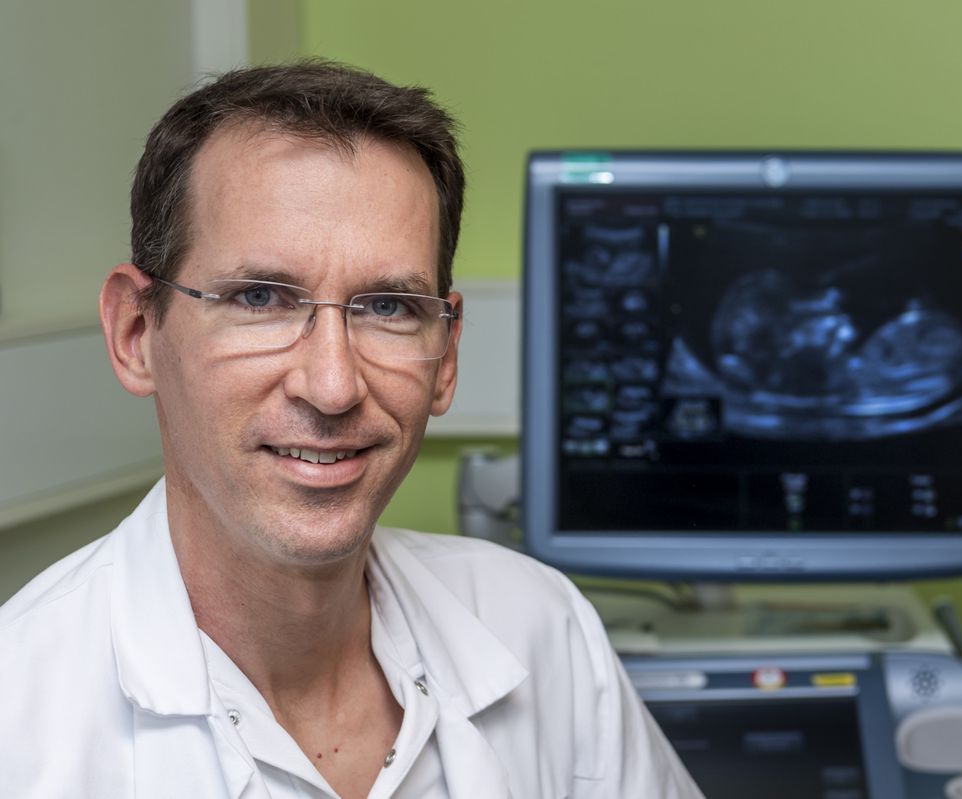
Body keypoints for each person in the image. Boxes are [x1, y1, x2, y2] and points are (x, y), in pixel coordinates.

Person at [0, 62, 701, 799]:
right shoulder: (21, 721)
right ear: (138, 332)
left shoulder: (543, 631)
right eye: (262, 298)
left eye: (388, 308)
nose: (333, 385)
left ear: (446, 357)